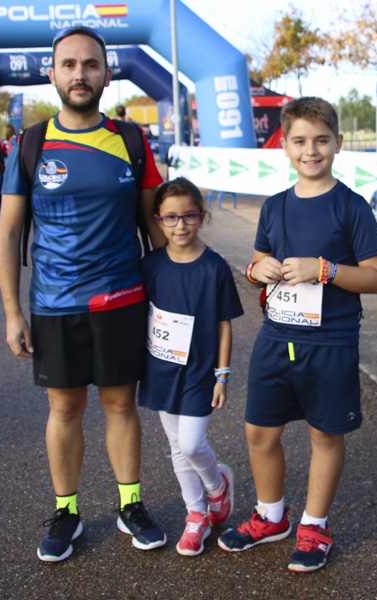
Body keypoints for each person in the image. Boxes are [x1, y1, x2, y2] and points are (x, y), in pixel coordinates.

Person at [0, 25, 168, 563]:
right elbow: (6, 231)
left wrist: (174, 299)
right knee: (64, 409)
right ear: (52, 74)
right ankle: (66, 511)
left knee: (120, 404)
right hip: (54, 303)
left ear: (106, 74)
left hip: (121, 299)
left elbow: (156, 226)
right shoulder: (31, 143)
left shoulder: (131, 141)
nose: (79, 74)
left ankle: (130, 504)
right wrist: (11, 312)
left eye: (90, 64)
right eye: (68, 65)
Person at [216, 97, 377, 573]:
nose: (310, 150)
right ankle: (272, 516)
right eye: (299, 141)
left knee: (325, 435)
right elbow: (255, 265)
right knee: (258, 432)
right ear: (285, 147)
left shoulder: (352, 206)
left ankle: (315, 524)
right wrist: (256, 269)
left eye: (320, 140)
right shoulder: (274, 206)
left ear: (336, 143)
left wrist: (326, 269)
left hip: (330, 342)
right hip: (276, 337)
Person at [139, 177, 244, 556]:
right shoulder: (149, 265)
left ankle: (217, 486)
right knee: (175, 446)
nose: (180, 225)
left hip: (201, 372)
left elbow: (224, 324)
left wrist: (223, 375)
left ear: (202, 216)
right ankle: (196, 514)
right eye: (170, 218)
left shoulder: (214, 267)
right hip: (161, 370)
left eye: (189, 216)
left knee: (191, 442)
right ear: (158, 220)